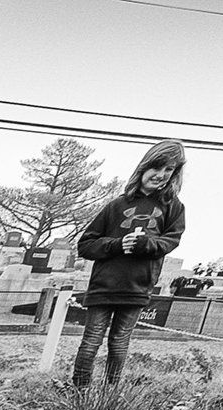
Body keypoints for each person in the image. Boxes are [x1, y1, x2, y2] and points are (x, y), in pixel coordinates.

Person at [70, 141, 187, 389]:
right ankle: (78, 393)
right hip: (105, 286)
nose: (162, 175)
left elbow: (170, 241)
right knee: (91, 342)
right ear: (145, 166)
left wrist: (146, 244)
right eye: (158, 167)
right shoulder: (116, 205)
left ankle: (109, 395)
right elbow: (86, 245)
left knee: (120, 341)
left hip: (137, 287)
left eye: (170, 170)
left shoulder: (173, 208)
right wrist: (116, 245)